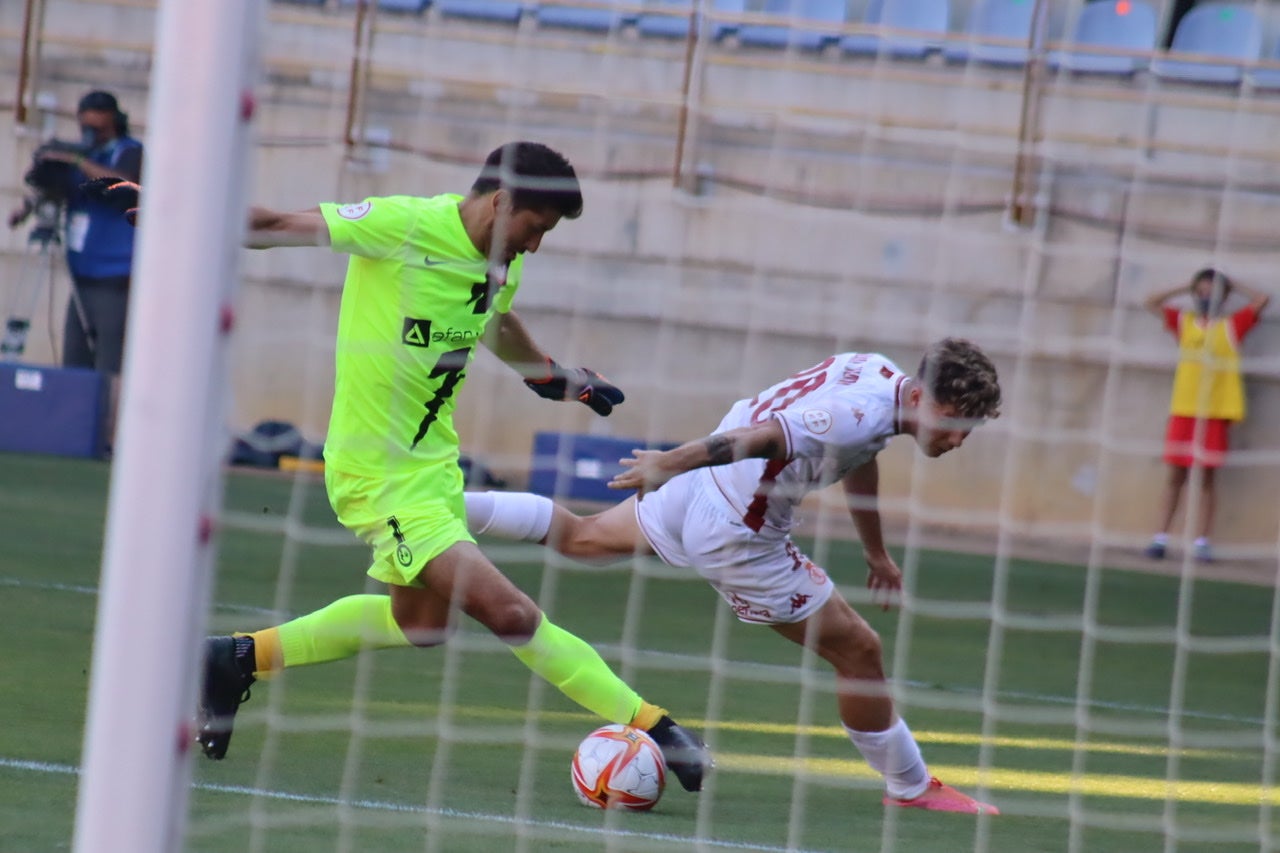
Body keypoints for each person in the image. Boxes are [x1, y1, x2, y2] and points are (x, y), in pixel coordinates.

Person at [196, 141, 711, 793]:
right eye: (534, 227)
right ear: (502, 202)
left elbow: (494, 322)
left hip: (434, 472)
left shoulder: (501, 261)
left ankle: (239, 657)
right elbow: (273, 227)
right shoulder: (403, 225)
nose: (536, 245)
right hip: (374, 473)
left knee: (421, 625)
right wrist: (173, 213)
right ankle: (657, 724)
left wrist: (558, 378)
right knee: (512, 614)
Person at [464, 339, 1004, 814]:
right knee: (858, 651)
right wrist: (670, 462)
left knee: (584, 538)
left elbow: (858, 456)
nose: (957, 439)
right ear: (918, 398)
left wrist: (875, 551)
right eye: (954, 422)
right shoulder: (859, 413)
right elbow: (766, 436)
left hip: (707, 486)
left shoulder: (875, 374)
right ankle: (909, 787)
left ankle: (448, 505)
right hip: (738, 531)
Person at [7, 91, 143, 442]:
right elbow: (53, 186)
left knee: (110, 362)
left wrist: (77, 160)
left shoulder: (127, 150)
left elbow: (123, 185)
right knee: (75, 357)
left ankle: (110, 436)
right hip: (81, 275)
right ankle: (73, 431)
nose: (88, 130)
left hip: (114, 274)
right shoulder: (83, 154)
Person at [1142, 269, 1269, 563]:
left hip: (1213, 414)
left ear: (1223, 296)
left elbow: (1263, 300)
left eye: (1211, 291)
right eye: (1200, 291)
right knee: (1175, 477)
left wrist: (1232, 283)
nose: (1204, 296)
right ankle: (1159, 539)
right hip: (1184, 411)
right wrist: (1183, 286)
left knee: (1206, 480)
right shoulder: (1185, 323)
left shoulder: (1231, 326)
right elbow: (1150, 302)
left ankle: (1201, 541)